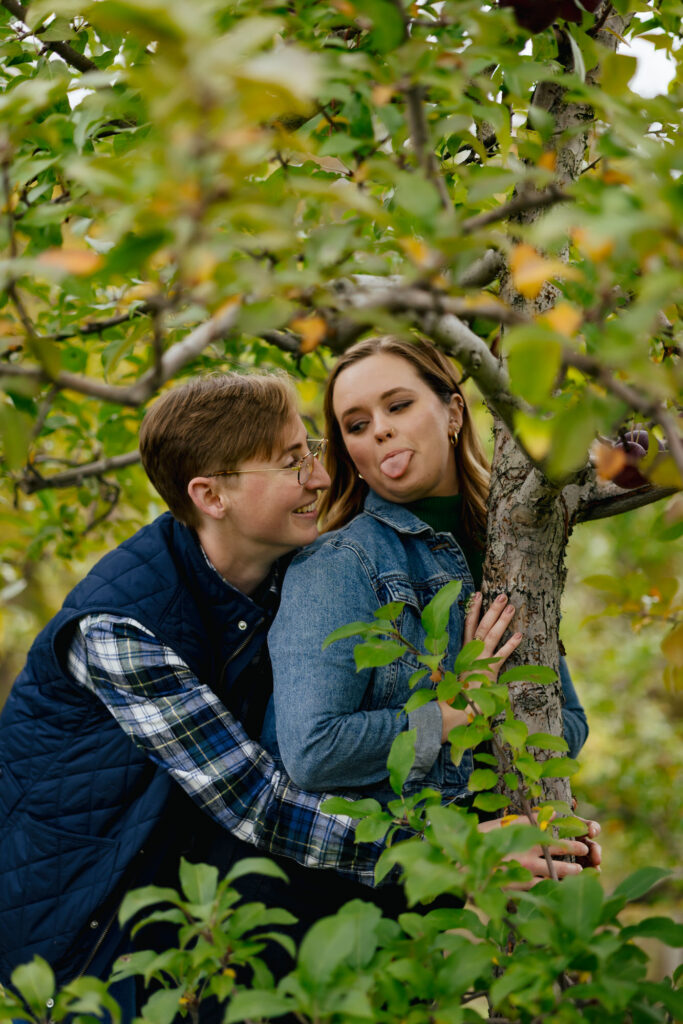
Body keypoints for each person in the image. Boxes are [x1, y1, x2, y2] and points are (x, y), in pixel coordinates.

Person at [0, 372, 397, 1003]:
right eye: (291, 463)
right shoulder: (120, 629)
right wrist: (437, 861)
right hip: (79, 947)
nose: (320, 478)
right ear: (211, 496)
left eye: (312, 451)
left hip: (191, 922)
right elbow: (256, 802)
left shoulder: (290, 580)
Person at [268, 336, 592, 815]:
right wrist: (460, 706)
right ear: (350, 452)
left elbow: (570, 724)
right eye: (357, 425)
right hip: (412, 851)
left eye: (398, 406)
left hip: (515, 841)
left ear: (454, 413)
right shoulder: (340, 564)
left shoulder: (512, 544)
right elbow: (314, 752)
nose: (381, 430)